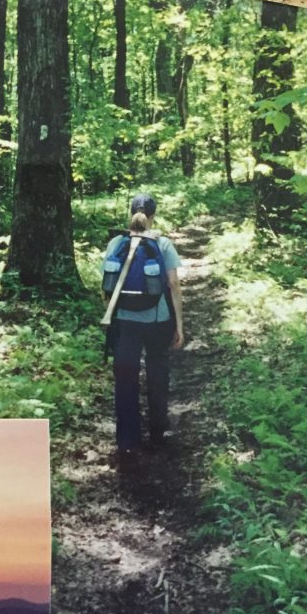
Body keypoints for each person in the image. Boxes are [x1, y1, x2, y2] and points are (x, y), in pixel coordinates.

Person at [103, 193, 184, 470]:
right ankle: (158, 431)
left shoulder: (116, 243)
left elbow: (107, 286)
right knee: (157, 370)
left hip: (124, 321)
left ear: (131, 213)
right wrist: (179, 325)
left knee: (125, 377)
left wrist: (113, 315)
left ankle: (128, 440)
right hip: (158, 320)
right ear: (153, 216)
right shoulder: (162, 243)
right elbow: (173, 285)